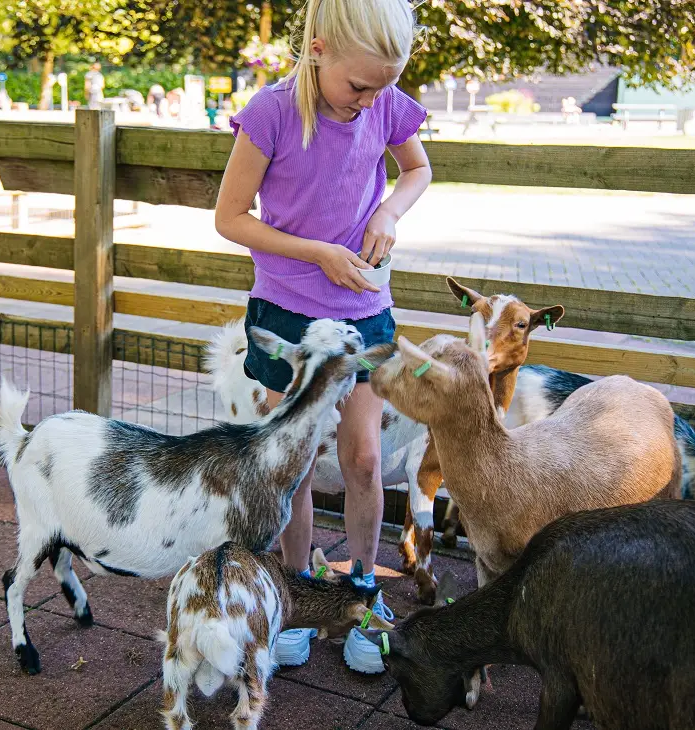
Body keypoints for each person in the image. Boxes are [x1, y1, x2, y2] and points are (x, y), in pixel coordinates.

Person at [213, 0, 431, 675]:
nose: (369, 101)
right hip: (285, 316)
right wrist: (314, 252)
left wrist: (390, 211)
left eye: (383, 86)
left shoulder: (386, 101)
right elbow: (229, 219)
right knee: (297, 466)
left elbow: (416, 169)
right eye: (358, 86)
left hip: (365, 309)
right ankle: (302, 598)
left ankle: (362, 598)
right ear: (317, 49)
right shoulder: (271, 113)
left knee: (364, 459)